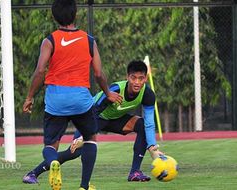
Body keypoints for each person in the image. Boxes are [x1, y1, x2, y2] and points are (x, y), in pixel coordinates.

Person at [22, 1, 122, 190]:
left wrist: (29, 97)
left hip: (55, 100)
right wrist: (108, 93)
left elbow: (40, 71)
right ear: (76, 14)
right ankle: (84, 186)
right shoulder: (89, 40)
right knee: (90, 138)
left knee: (51, 145)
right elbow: (99, 73)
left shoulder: (49, 40)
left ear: (54, 17)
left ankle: (53, 163)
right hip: (81, 100)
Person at [24, 60, 164, 184]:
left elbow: (149, 123)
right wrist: (83, 138)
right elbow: (92, 113)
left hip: (115, 120)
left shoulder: (148, 94)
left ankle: (135, 172)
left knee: (141, 125)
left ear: (145, 78)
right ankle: (33, 173)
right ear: (127, 77)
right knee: (74, 152)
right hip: (92, 117)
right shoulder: (115, 90)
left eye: (141, 78)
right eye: (133, 78)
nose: (137, 82)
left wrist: (152, 147)